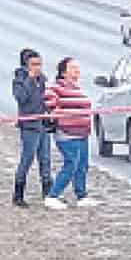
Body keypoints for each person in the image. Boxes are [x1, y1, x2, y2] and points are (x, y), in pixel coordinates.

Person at [43, 57, 99, 209]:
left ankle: (81, 195)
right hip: (67, 133)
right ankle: (52, 195)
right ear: (64, 71)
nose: (77, 71)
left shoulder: (77, 89)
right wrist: (58, 113)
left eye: (78, 68)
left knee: (82, 165)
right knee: (71, 164)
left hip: (82, 132)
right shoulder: (56, 87)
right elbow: (49, 101)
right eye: (73, 68)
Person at [11, 48, 52, 207]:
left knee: (45, 159)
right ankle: (18, 194)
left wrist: (49, 113)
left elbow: (44, 100)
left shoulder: (42, 80)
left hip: (42, 123)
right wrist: (29, 79)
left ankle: (48, 192)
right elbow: (21, 98)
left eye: (39, 64)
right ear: (26, 66)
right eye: (34, 64)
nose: (38, 68)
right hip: (29, 126)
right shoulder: (19, 80)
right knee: (27, 159)